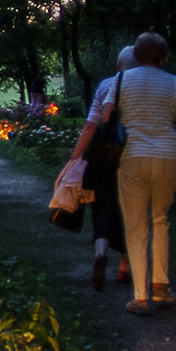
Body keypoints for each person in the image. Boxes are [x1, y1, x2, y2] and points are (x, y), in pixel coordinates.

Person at [114, 32, 176, 315]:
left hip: (132, 157)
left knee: (136, 226)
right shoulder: (174, 83)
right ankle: (161, 286)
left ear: (135, 55)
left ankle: (140, 297)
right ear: (162, 57)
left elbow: (105, 117)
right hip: (167, 156)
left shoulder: (120, 81)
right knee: (161, 219)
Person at [65, 45, 137, 291]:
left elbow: (90, 126)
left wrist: (75, 159)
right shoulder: (144, 86)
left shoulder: (106, 85)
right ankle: (124, 267)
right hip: (133, 154)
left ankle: (100, 253)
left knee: (103, 208)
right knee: (130, 210)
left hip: (104, 157)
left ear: (119, 65)